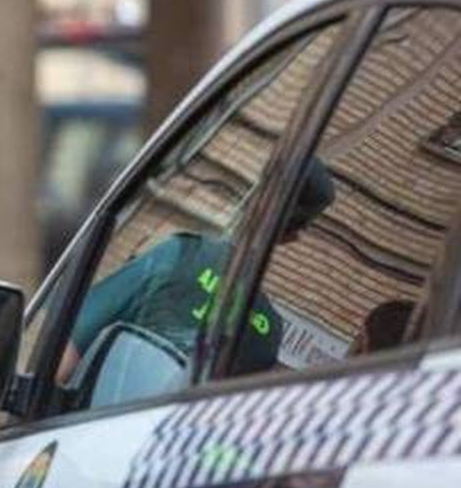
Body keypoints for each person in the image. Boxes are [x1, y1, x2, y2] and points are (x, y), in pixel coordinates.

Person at [58, 158, 337, 383]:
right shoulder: (270, 333)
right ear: (292, 237)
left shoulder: (180, 255)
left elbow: (64, 359)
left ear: (252, 196)